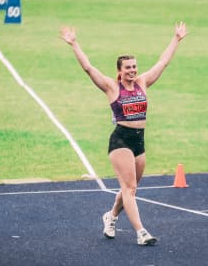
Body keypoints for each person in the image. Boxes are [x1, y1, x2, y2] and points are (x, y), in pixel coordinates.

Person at [59, 22, 187, 245]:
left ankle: (111, 216)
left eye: (134, 66)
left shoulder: (143, 83)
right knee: (129, 188)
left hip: (139, 141)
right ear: (119, 71)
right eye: (127, 68)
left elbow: (163, 62)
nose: (132, 70)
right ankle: (141, 232)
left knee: (130, 189)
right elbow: (89, 68)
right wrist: (74, 44)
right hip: (120, 140)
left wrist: (176, 39)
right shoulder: (112, 87)